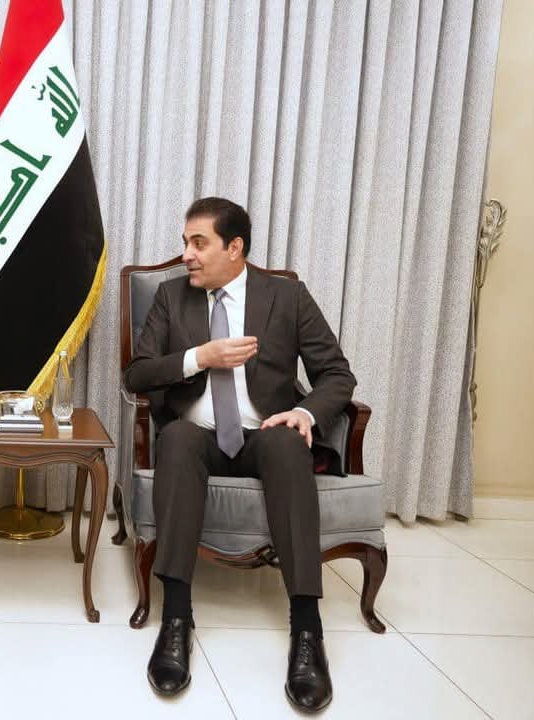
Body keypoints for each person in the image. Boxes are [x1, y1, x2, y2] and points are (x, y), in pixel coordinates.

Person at [123, 197, 356, 712]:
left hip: (264, 434)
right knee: (177, 438)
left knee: (288, 442)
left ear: (235, 248)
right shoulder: (171, 297)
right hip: (200, 437)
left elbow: (337, 374)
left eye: (198, 242)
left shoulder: (287, 297)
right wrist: (198, 357)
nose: (187, 254)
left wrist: (306, 413)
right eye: (185, 242)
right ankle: (176, 620)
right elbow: (136, 374)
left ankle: (307, 631)